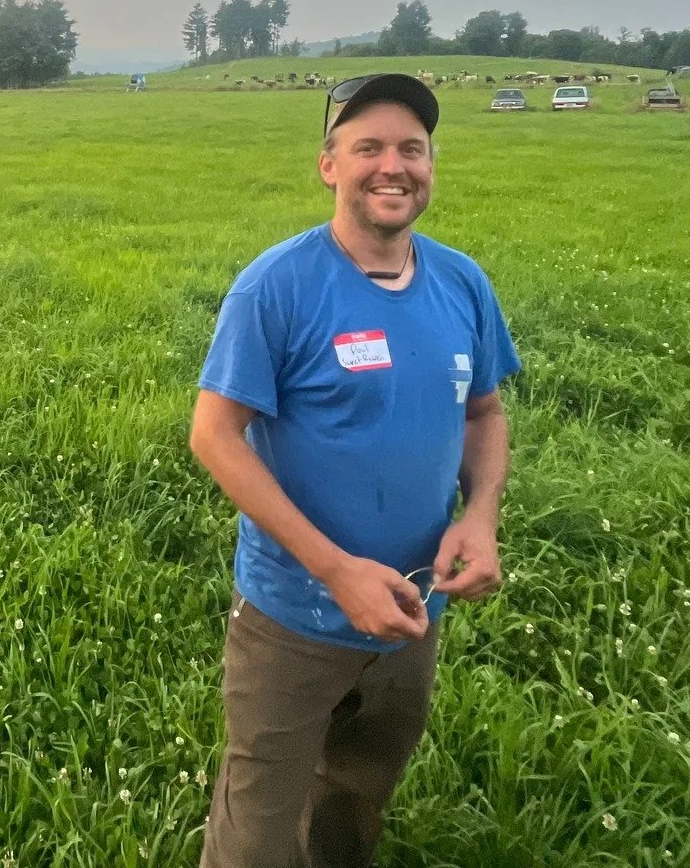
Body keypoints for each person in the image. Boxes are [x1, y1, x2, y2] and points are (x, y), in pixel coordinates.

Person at [190, 73, 520, 868]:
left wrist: (479, 518)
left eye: (412, 148)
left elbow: (484, 413)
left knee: (358, 793)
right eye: (368, 147)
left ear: (430, 165)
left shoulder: (462, 282)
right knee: (257, 831)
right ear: (328, 165)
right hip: (293, 616)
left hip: (414, 611)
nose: (393, 166)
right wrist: (336, 571)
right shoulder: (277, 287)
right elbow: (215, 435)